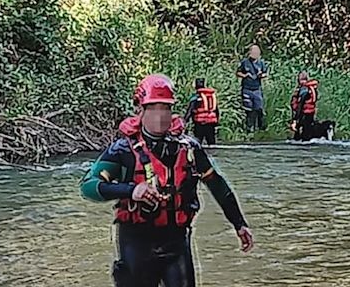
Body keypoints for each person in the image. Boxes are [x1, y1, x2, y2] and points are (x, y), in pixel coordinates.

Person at [79, 74, 254, 287]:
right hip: (136, 244)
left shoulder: (189, 148)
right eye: (153, 108)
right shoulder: (123, 150)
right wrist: (131, 190)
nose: (160, 115)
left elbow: (218, 185)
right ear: (140, 110)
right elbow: (88, 186)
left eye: (165, 108)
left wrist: (239, 224)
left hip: (176, 243)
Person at [236, 44, 269, 133]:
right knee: (249, 109)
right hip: (246, 88)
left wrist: (261, 75)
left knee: (259, 108)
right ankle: (249, 128)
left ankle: (261, 128)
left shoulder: (261, 63)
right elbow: (238, 72)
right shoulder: (245, 62)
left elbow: (265, 73)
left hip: (257, 89)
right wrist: (245, 75)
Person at [184, 78, 219, 146]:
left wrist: (184, 122)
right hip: (211, 123)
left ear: (196, 86)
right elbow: (216, 110)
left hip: (200, 124)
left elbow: (189, 111)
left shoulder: (195, 97)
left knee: (198, 143)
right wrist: (216, 122)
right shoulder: (211, 96)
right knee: (211, 143)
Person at [290, 71, 319, 141]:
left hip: (303, 114)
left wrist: (295, 119)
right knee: (307, 130)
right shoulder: (311, 88)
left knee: (301, 134)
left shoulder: (304, 89)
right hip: (310, 113)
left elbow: (300, 104)